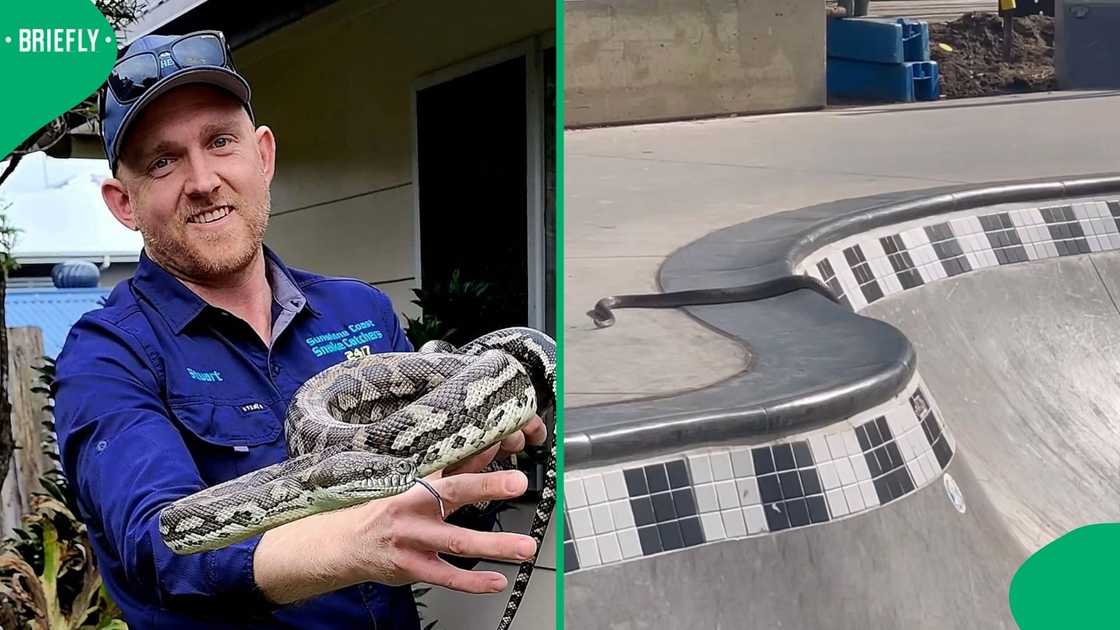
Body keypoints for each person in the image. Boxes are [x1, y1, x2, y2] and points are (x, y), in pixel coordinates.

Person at [52, 30, 546, 628]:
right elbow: (160, 545)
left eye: (220, 142)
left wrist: (470, 474)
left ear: (263, 154)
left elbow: (427, 514)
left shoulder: (357, 311)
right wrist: (348, 544)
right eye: (163, 161)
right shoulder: (107, 355)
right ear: (122, 202)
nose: (203, 179)